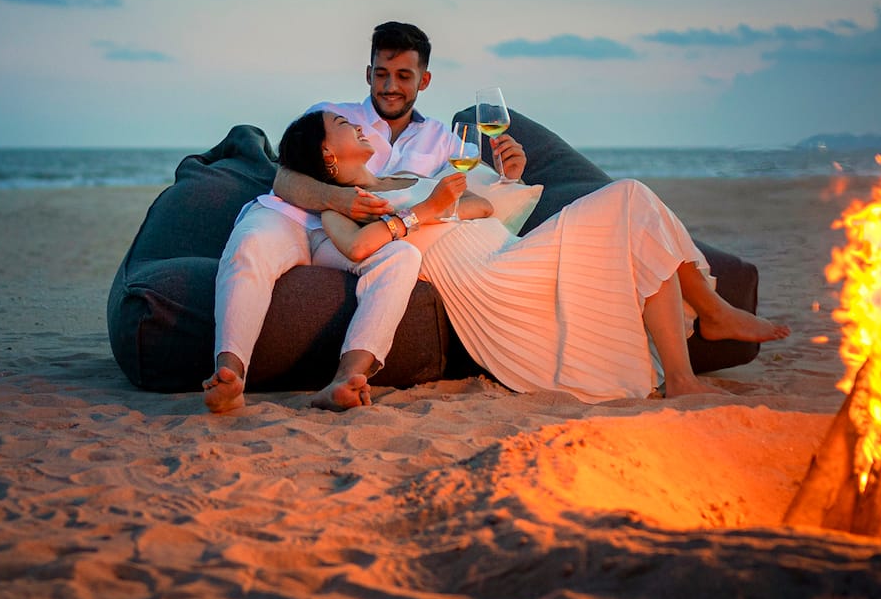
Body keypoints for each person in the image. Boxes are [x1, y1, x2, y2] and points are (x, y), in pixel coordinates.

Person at [279, 109, 789, 402]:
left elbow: (478, 207)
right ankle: (708, 327)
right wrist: (428, 212)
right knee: (629, 195)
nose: (355, 123)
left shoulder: (404, 179)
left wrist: (495, 184)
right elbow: (358, 248)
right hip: (490, 282)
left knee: (633, 217)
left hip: (511, 250)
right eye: (341, 124)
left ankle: (689, 363)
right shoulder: (339, 207)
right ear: (328, 154)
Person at [202, 21, 527, 414]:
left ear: (423, 81)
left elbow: (466, 194)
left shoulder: (444, 140)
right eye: (382, 74)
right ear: (368, 73)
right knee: (251, 246)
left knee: (402, 258)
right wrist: (336, 198)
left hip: (360, 237)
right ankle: (229, 375)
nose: (390, 85)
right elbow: (285, 177)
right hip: (293, 217)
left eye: (403, 76)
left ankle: (346, 379)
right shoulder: (332, 115)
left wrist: (510, 177)